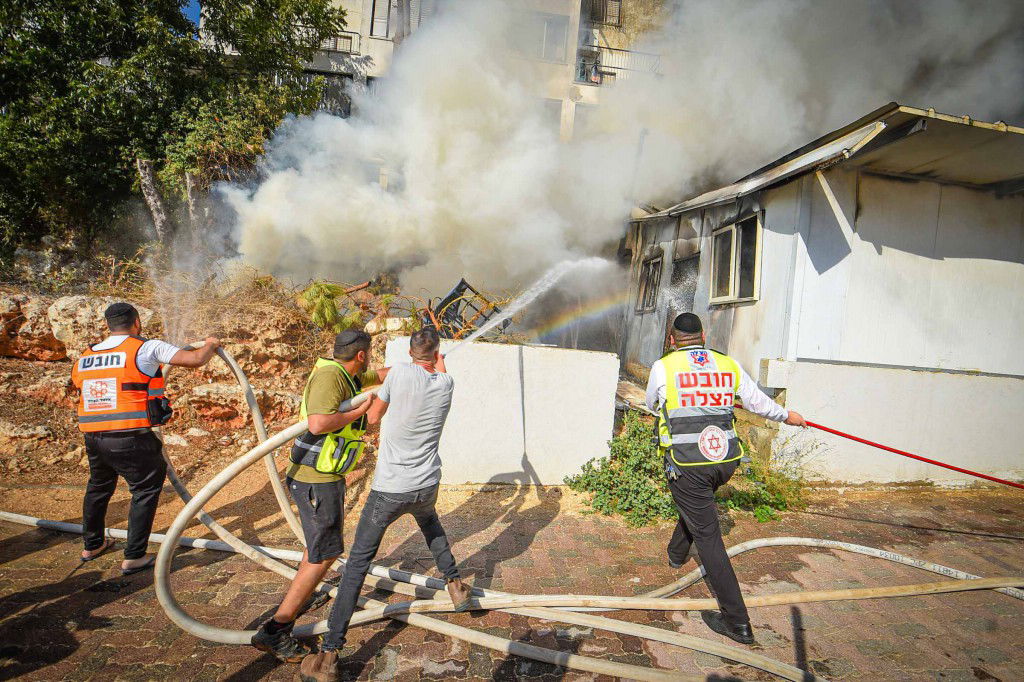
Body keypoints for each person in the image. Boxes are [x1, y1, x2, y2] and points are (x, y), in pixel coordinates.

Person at [298, 328, 473, 681]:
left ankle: (329, 656)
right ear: (436, 354)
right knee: (430, 524)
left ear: (409, 352)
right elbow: (436, 372)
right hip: (426, 485)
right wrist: (437, 362)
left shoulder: (401, 373)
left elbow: (374, 418)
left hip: (390, 489)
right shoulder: (446, 383)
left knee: (357, 566)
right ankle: (455, 585)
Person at [646, 313, 807, 645]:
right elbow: (757, 402)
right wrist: (787, 415)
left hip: (688, 462)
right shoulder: (727, 364)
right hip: (724, 460)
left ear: (673, 340)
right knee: (697, 505)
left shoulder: (664, 367)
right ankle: (676, 553)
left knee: (709, 538)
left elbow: (653, 404)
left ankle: (737, 621)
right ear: (703, 336)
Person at [251, 329, 389, 662]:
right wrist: (360, 410)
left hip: (324, 475)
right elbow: (317, 424)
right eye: (369, 355)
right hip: (315, 478)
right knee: (325, 554)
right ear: (361, 354)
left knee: (319, 549)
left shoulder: (347, 373)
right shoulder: (331, 377)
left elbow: (381, 375)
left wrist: (414, 367)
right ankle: (276, 630)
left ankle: (303, 595)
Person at [71, 302, 219, 575]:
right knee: (145, 490)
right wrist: (211, 344)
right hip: (130, 436)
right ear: (136, 321)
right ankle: (134, 557)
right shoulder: (147, 347)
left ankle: (91, 546)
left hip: (94, 437)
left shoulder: (86, 355)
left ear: (108, 325)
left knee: (98, 487)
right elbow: (197, 359)